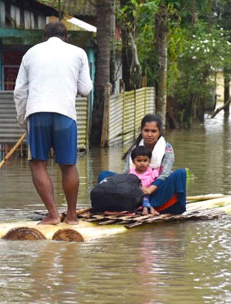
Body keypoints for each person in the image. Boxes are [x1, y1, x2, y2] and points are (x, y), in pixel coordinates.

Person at [14, 22, 93, 225]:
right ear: (66, 37)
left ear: (44, 37)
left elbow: (20, 91)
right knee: (68, 165)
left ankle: (53, 214)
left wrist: (23, 119)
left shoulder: (30, 53)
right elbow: (85, 89)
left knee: (37, 162)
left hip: (37, 112)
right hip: (65, 113)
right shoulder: (78, 53)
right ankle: (73, 217)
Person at [98, 114, 187, 215]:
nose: (149, 134)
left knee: (180, 173)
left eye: (153, 131)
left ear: (159, 132)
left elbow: (164, 174)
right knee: (104, 175)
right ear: (141, 131)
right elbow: (127, 173)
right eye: (146, 131)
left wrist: (149, 190)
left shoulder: (167, 149)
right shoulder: (134, 149)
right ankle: (132, 205)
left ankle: (153, 205)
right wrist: (138, 189)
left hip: (157, 190)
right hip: (135, 190)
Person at [129, 146, 160, 214]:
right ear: (133, 161)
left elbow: (160, 179)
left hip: (150, 193)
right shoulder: (131, 173)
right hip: (137, 194)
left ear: (149, 161)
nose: (142, 163)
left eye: (145, 160)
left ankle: (147, 207)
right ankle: (146, 208)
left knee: (145, 194)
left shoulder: (152, 172)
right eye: (139, 161)